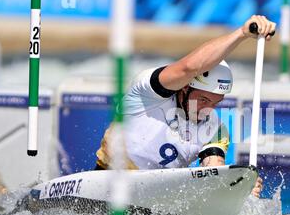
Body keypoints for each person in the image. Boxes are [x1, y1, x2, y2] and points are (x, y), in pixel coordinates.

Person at [95, 15, 276, 198]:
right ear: (185, 87)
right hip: (107, 178)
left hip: (157, 199)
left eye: (216, 103)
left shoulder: (216, 129)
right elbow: (189, 67)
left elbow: (214, 171)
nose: (209, 110)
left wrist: (238, 189)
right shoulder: (148, 93)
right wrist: (242, 33)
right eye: (204, 100)